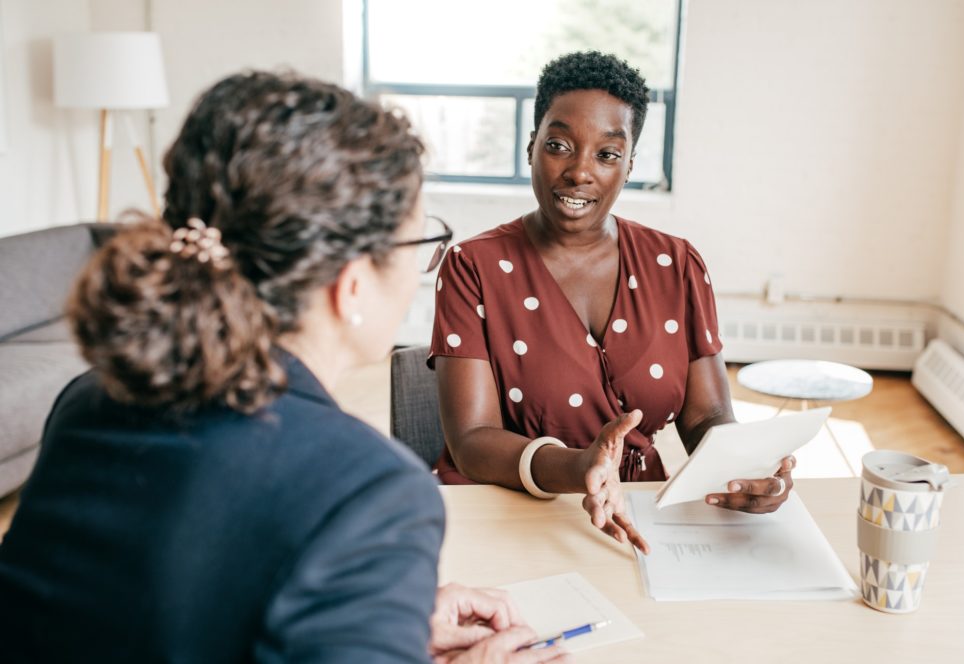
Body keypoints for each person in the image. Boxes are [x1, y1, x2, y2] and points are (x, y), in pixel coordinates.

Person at [0, 71, 566, 663]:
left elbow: (148, 611)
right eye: (419, 242)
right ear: (350, 288)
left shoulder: (91, 399)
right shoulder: (369, 493)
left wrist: (366, 616)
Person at [430, 52, 797, 552]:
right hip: (505, 513)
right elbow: (471, 440)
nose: (580, 171)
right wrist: (579, 466)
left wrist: (746, 472)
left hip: (638, 514)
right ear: (531, 148)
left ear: (628, 166)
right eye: (559, 145)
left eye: (607, 154)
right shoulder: (473, 267)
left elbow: (706, 415)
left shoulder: (678, 264)